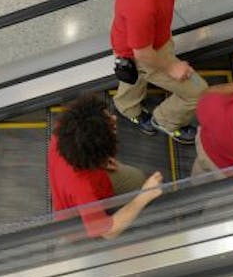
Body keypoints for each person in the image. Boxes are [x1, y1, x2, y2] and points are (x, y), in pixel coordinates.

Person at [111, 0, 233, 144]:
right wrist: (172, 67)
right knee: (197, 91)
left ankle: (126, 106)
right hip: (143, 52)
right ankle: (165, 120)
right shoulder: (140, 6)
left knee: (136, 77)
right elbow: (143, 54)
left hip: (149, 39)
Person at [48, 92, 164, 239]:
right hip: (78, 222)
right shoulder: (82, 188)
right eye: (110, 127)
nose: (114, 118)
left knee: (136, 178)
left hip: (97, 177)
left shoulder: (65, 131)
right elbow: (108, 232)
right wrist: (144, 197)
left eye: (107, 115)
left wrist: (101, 161)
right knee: (138, 185)